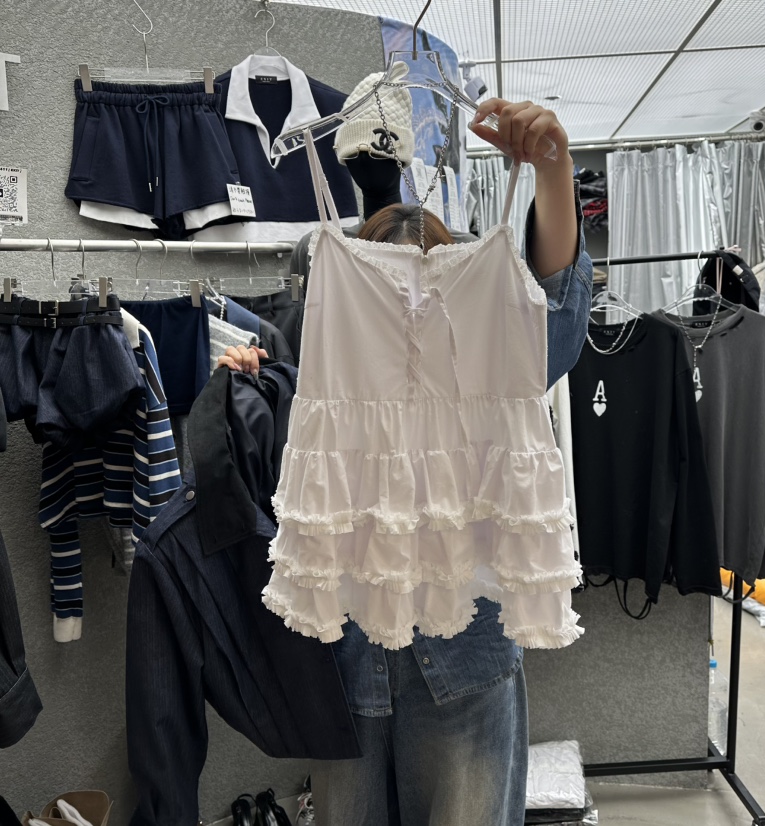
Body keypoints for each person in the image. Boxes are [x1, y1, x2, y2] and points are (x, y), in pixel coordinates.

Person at [219, 98, 593, 826]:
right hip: (348, 663)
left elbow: (557, 308)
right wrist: (252, 383)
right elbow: (300, 428)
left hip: (467, 659)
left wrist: (554, 172)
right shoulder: (325, 328)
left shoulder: (498, 328)